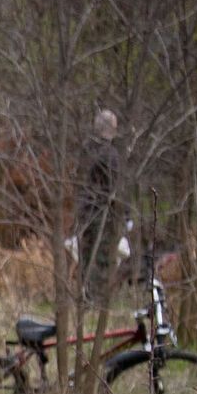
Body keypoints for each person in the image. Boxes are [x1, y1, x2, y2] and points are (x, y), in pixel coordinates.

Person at [79, 109, 121, 298]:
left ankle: (86, 294)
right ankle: (95, 297)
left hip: (84, 210)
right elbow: (113, 187)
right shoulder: (110, 154)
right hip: (101, 214)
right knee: (100, 258)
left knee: (86, 256)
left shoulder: (86, 149)